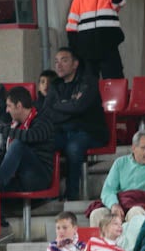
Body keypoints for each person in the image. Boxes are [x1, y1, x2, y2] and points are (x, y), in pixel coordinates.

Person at [40, 49, 104, 200]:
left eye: (64, 60)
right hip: (62, 130)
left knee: (73, 148)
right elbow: (46, 111)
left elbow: (79, 107)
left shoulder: (88, 82)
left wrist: (60, 105)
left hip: (88, 131)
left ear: (75, 64)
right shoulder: (55, 85)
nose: (59, 65)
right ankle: (46, 192)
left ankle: (72, 195)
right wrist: (69, 106)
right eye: (56, 61)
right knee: (42, 142)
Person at [64, 0, 125, 80]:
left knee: (114, 84)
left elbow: (120, 2)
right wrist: (75, 49)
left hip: (108, 48)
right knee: (88, 86)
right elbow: (71, 25)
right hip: (86, 50)